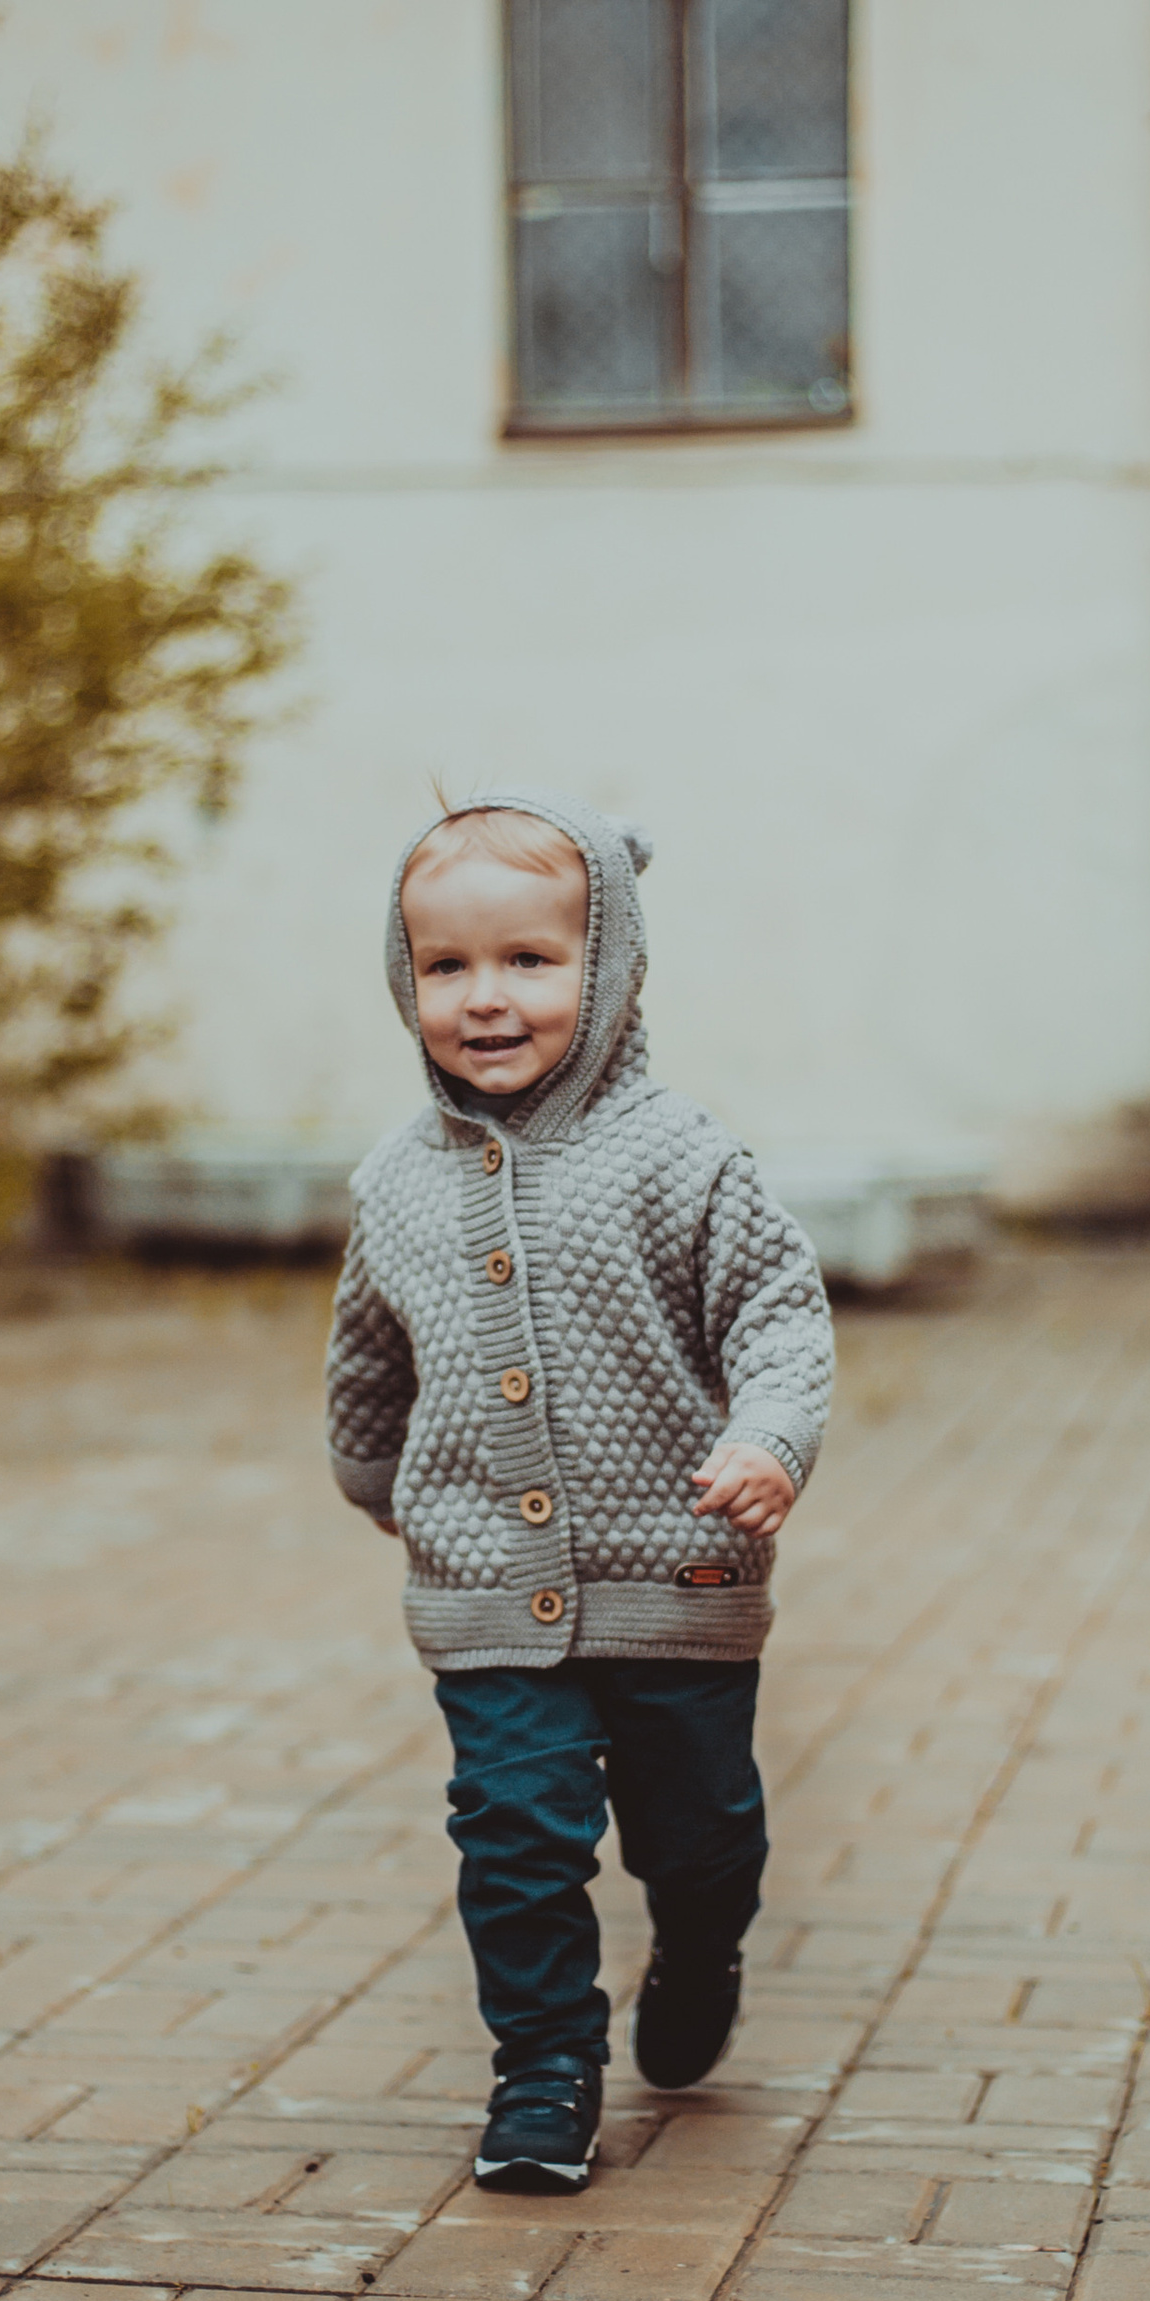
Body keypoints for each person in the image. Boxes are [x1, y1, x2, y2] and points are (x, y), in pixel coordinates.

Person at [324, 790, 835, 2193]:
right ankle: (543, 2072)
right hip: (486, 1580)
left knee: (703, 1830)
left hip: (679, 1573)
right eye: (447, 966)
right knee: (516, 1833)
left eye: (529, 962)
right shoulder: (395, 1179)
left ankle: (702, 1937)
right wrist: (371, 1470)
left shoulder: (681, 1155)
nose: (486, 999)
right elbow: (370, 1344)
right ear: (405, 976)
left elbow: (781, 1319)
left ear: (607, 969)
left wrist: (771, 1443)